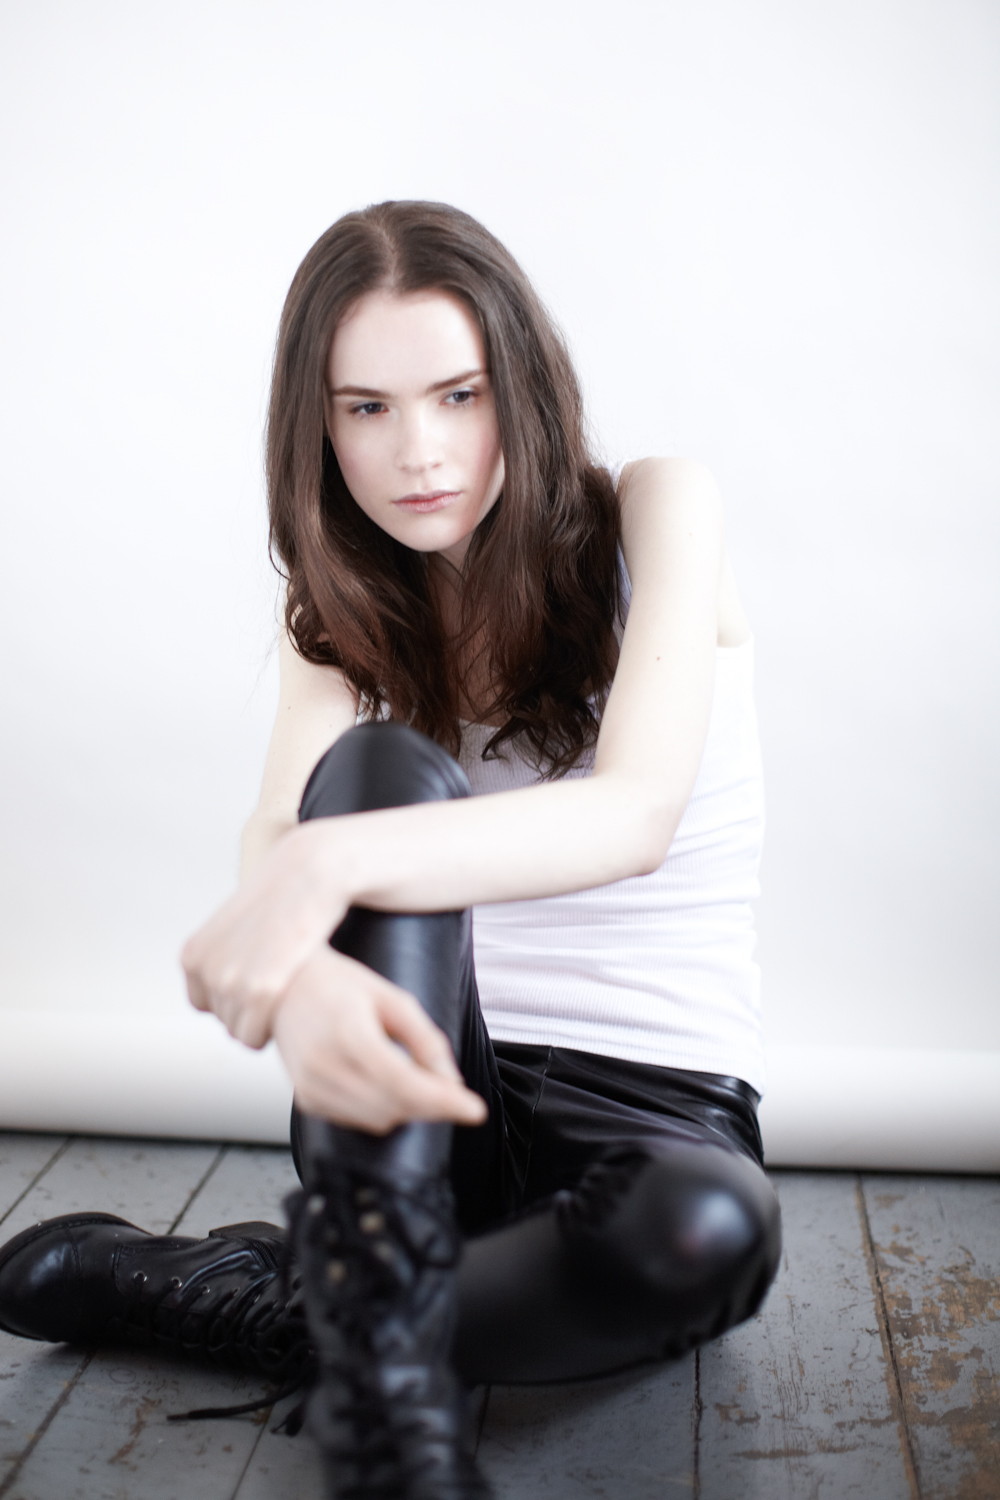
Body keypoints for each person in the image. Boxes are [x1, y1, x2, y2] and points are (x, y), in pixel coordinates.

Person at [0, 201, 781, 1499]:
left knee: (707, 1229)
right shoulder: (341, 605)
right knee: (373, 777)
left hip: (652, 1114)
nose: (418, 451)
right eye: (365, 408)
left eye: (457, 395)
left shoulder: (660, 508)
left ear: (521, 388)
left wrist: (320, 874)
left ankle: (306, 1301)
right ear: (316, 429)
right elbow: (279, 827)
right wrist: (304, 954)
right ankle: (390, 1370)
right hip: (417, 1113)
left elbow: (633, 817)